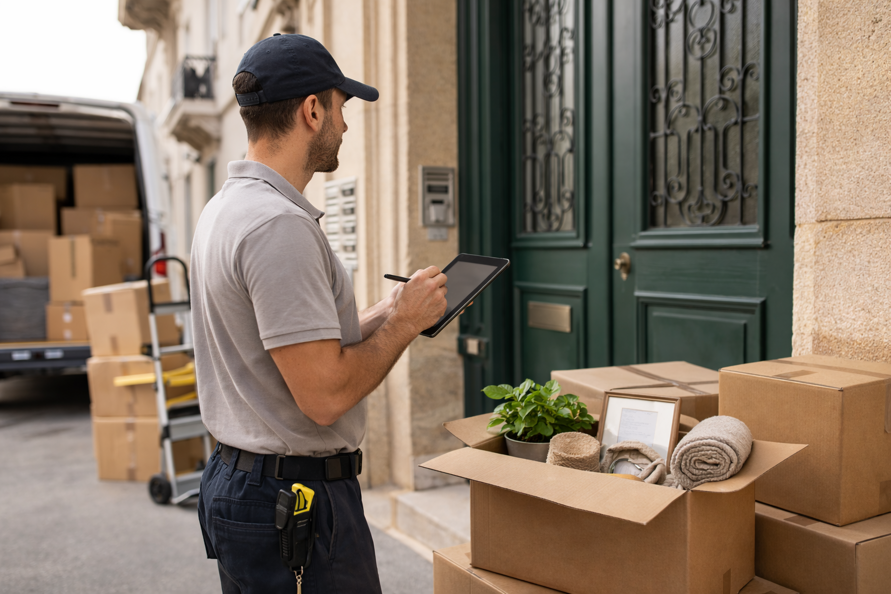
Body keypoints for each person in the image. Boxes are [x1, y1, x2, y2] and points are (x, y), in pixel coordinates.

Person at [191, 33, 448, 593]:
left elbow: (286, 343)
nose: (345, 125)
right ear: (312, 110)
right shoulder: (277, 227)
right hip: (295, 501)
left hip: (249, 482)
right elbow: (324, 395)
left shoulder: (225, 209)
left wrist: (391, 308)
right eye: (341, 107)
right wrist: (405, 326)